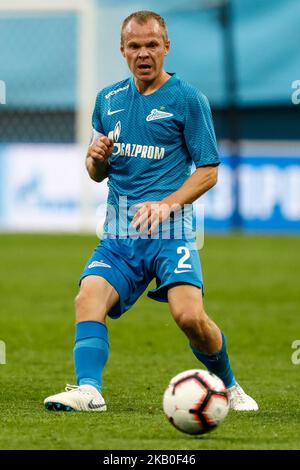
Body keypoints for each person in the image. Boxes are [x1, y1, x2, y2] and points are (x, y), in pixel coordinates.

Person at [44, 11, 258, 412]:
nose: (144, 53)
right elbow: (96, 173)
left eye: (152, 45)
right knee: (87, 297)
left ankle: (229, 386)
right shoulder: (108, 100)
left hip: (171, 233)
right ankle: (89, 391)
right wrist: (95, 159)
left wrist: (166, 205)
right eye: (135, 46)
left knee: (189, 317)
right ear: (123, 51)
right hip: (120, 234)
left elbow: (208, 171)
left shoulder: (188, 100)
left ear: (166, 47)